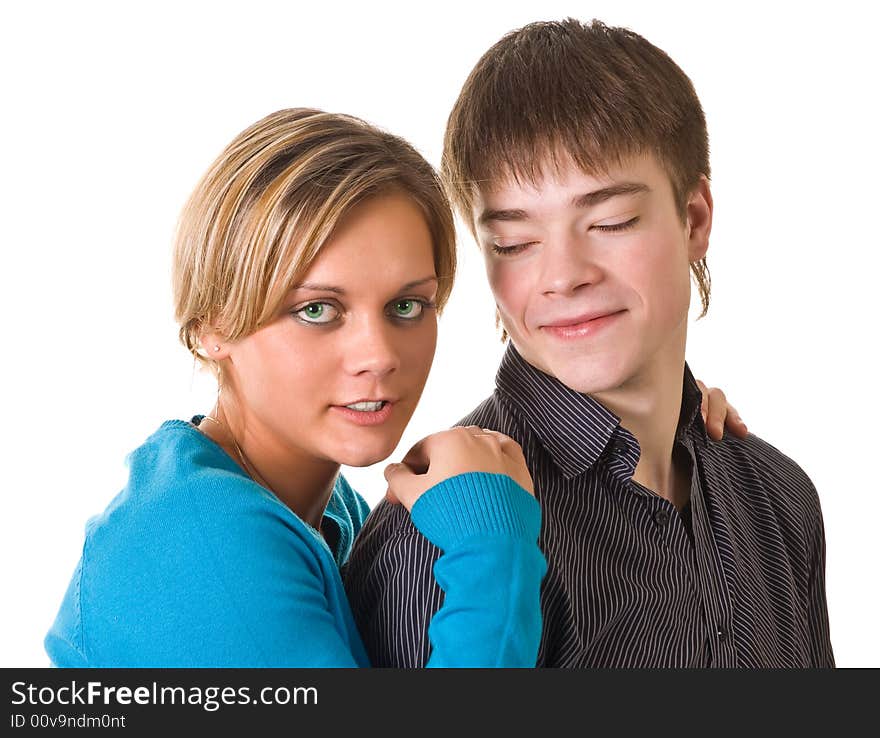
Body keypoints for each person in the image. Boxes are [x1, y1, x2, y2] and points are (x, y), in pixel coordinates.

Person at [344, 18, 834, 668]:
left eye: (610, 221)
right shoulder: (439, 539)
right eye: (514, 243)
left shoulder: (779, 498)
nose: (564, 275)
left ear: (694, 219)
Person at [43, 107, 549, 667]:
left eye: (406, 306)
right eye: (316, 310)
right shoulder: (200, 540)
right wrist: (493, 547)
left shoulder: (332, 511)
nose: (379, 355)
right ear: (214, 325)